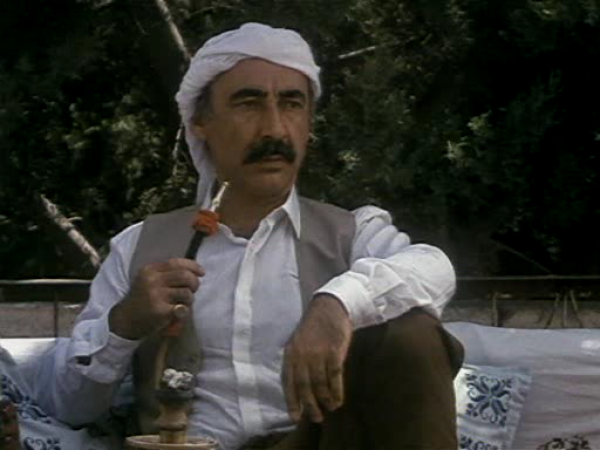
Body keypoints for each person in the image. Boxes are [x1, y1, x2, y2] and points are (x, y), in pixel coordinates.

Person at [37, 23, 463, 450]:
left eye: (291, 104)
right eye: (249, 103)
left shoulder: (352, 234)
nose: (274, 130)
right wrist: (124, 325)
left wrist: (337, 306)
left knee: (413, 332)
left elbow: (434, 268)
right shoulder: (139, 248)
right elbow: (71, 407)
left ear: (308, 123)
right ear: (201, 122)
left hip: (320, 443)